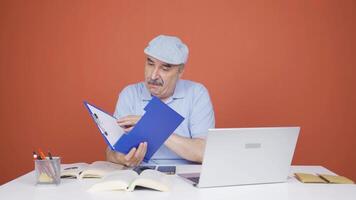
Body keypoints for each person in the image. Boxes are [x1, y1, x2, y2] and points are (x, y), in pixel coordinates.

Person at [106, 35, 215, 166]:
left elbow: (203, 152)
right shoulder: (129, 94)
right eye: (150, 64)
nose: (153, 75)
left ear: (180, 72)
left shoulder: (197, 93)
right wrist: (121, 159)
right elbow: (110, 152)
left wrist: (151, 127)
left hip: (183, 176)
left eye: (165, 68)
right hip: (139, 176)